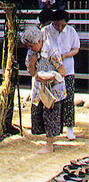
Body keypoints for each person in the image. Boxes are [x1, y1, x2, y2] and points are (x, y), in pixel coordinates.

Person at [21, 26, 67, 154]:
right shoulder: (31, 53)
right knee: (40, 115)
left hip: (53, 89)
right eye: (28, 47)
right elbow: (31, 72)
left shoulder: (52, 50)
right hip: (40, 89)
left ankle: (49, 145)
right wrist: (32, 62)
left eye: (31, 46)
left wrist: (48, 77)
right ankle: (48, 141)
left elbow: (62, 72)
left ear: (39, 42)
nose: (30, 49)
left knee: (50, 116)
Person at [41, 10, 80, 140]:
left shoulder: (71, 31)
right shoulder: (46, 31)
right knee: (52, 99)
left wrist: (66, 55)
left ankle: (69, 128)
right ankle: (53, 130)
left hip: (67, 68)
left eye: (62, 25)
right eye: (57, 25)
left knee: (68, 98)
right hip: (50, 70)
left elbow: (76, 48)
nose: (59, 28)